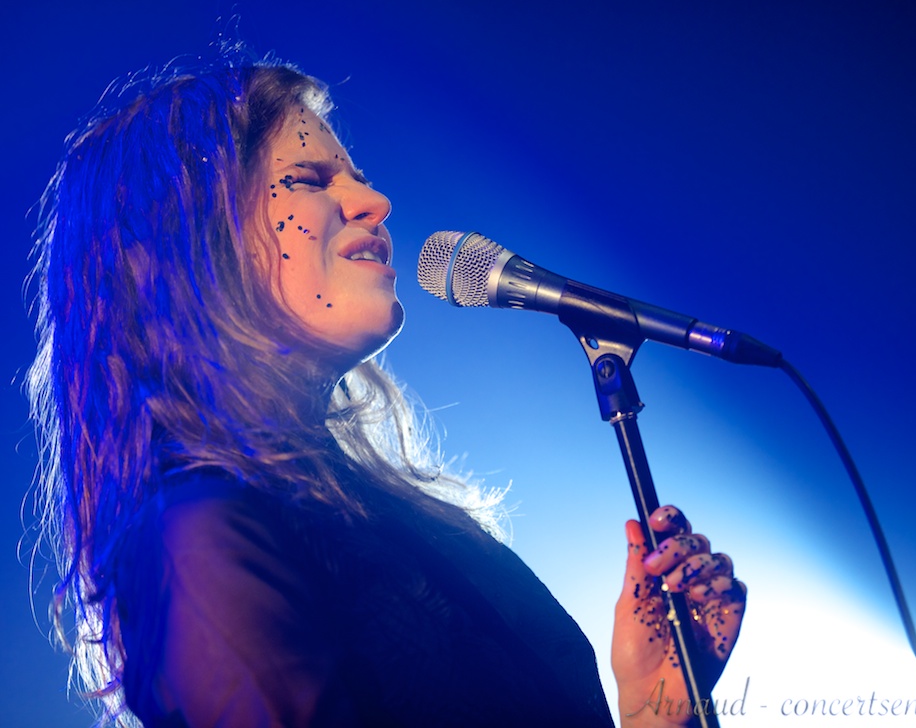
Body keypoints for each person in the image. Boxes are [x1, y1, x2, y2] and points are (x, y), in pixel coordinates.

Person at [26, 50, 746, 727]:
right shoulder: (199, 536)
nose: (375, 201)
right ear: (188, 245)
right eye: (310, 181)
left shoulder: (364, 511)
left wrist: (654, 709)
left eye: (356, 176)